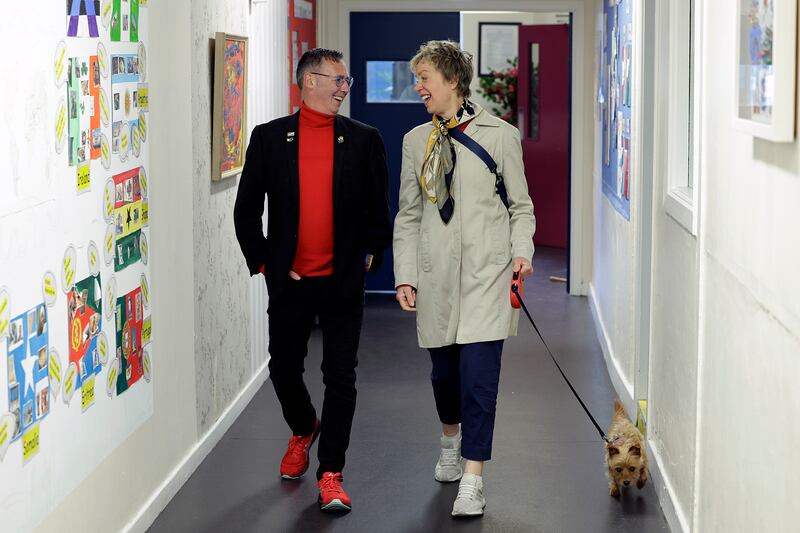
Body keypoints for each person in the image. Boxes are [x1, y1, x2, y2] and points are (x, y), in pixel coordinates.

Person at [233, 48, 391, 513]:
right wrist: (266, 264)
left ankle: (330, 472)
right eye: (338, 80)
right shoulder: (268, 138)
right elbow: (246, 211)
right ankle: (304, 428)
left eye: (348, 81)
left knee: (340, 376)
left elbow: (377, 210)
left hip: (341, 282)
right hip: (290, 281)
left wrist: (370, 253)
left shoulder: (364, 139)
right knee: (283, 369)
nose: (345, 88)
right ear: (310, 81)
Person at [393, 40, 535, 518]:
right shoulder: (417, 141)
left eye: (426, 77)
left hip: (486, 276)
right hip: (435, 279)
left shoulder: (499, 136)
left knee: (479, 380)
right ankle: (449, 440)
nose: (419, 86)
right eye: (417, 78)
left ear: (453, 81)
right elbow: (409, 215)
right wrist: (405, 274)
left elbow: (521, 207)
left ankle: (472, 478)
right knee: (444, 376)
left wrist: (521, 255)